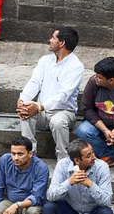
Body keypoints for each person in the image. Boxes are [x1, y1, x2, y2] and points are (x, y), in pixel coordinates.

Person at [18, 27, 84, 161]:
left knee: (58, 121)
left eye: (53, 38)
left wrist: (40, 107)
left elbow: (64, 95)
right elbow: (35, 82)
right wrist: (23, 99)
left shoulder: (76, 66)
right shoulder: (45, 60)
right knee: (25, 110)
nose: (50, 40)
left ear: (62, 43)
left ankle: (64, 159)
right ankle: (29, 154)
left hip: (64, 112)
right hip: (42, 111)